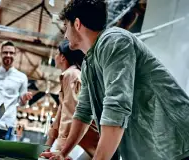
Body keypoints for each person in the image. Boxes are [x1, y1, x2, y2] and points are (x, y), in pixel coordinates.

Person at [41, 0, 189, 160]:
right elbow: (83, 112)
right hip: (153, 151)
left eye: (66, 26)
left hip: (177, 146)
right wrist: (63, 153)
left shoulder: (114, 41)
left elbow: (116, 107)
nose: (65, 35)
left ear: (77, 24)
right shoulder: (89, 63)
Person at [42, 40, 99, 158]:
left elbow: (71, 114)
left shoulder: (71, 74)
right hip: (81, 143)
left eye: (57, 53)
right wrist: (48, 144)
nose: (55, 56)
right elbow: (61, 113)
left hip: (81, 144)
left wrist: (61, 149)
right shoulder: (71, 75)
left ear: (63, 57)